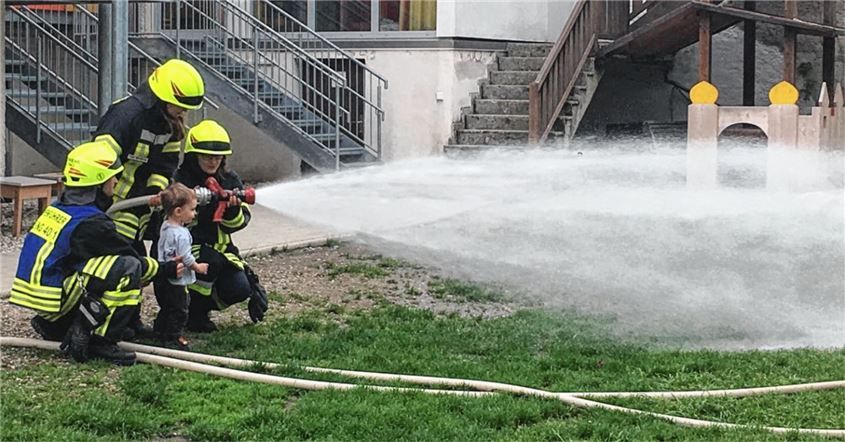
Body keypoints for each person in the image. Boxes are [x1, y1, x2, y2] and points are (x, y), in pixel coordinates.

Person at [9, 141, 183, 365]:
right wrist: (166, 268)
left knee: (101, 268)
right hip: (54, 295)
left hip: (40, 294)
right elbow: (129, 257)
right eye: (112, 178)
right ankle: (103, 341)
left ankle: (56, 325)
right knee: (129, 268)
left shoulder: (60, 208)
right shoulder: (92, 223)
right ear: (99, 182)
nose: (116, 182)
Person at [92, 58, 204, 338]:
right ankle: (109, 323)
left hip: (140, 205)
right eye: (179, 105)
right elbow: (101, 152)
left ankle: (129, 321)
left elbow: (164, 166)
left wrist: (157, 193)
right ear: (160, 97)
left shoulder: (170, 126)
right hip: (110, 204)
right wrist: (109, 184)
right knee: (125, 261)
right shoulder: (126, 114)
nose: (182, 112)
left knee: (139, 259)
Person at [171, 119, 268, 332]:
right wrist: (200, 205)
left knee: (240, 288)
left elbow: (240, 222)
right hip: (185, 247)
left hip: (222, 249)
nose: (212, 161)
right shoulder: (179, 180)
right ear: (193, 154)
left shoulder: (229, 180)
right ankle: (187, 312)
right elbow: (174, 221)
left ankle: (199, 311)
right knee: (209, 264)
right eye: (206, 156)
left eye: (217, 157)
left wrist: (230, 209)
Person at [154, 183, 209, 349]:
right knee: (180, 309)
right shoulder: (181, 235)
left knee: (167, 306)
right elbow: (186, 257)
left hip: (164, 274)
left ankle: (160, 331)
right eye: (192, 210)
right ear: (178, 212)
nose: (195, 213)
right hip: (177, 279)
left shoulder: (165, 226)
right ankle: (173, 337)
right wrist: (198, 267)